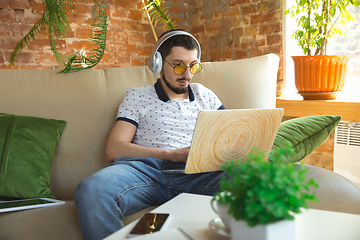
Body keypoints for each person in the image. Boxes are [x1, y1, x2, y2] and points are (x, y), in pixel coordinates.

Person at [74, 29, 226, 240]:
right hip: (146, 171)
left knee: (254, 180)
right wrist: (169, 154)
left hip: (198, 173)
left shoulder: (205, 95)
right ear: (157, 62)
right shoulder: (137, 96)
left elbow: (230, 135)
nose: (187, 75)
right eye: (179, 65)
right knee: (92, 190)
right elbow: (114, 149)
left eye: (193, 66)